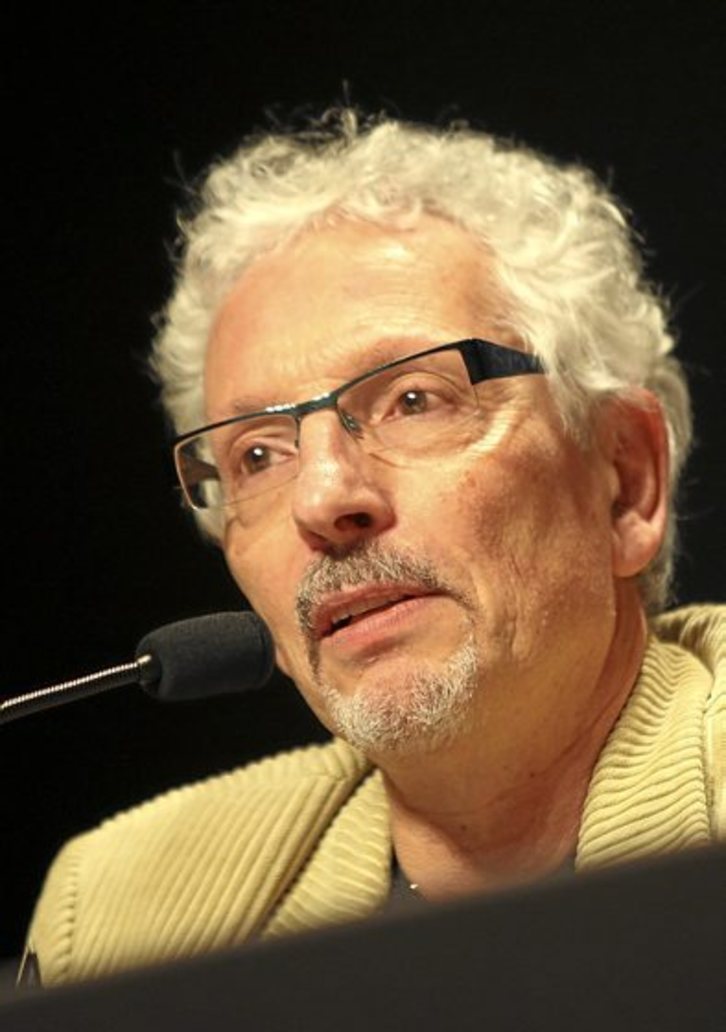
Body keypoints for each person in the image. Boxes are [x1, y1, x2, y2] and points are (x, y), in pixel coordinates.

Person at [24, 109, 724, 986]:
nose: (323, 500)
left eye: (415, 401)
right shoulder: (113, 915)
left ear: (625, 481)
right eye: (258, 455)